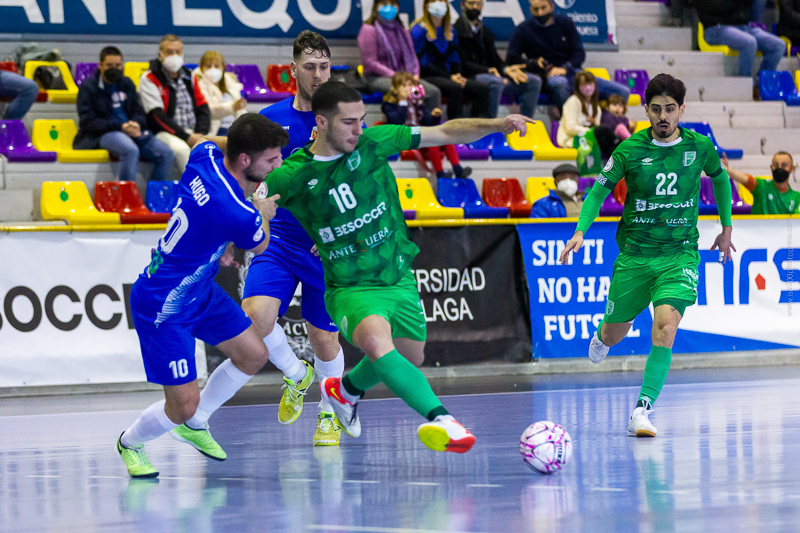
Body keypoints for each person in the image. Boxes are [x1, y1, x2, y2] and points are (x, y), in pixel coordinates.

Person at [264, 80, 534, 453]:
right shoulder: (292, 174)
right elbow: (249, 204)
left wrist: (495, 124)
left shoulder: (374, 141)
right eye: (349, 122)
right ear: (322, 122)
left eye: (362, 119)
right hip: (350, 287)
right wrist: (250, 228)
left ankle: (345, 391)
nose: (359, 130)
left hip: (398, 277)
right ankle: (444, 420)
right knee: (377, 344)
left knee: (410, 356)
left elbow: (443, 132)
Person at [559, 73, 736, 438]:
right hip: (635, 257)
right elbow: (596, 192)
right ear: (646, 110)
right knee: (613, 335)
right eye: (656, 109)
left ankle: (642, 409)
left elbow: (720, 179)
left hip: (679, 253)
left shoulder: (700, 146)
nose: (663, 116)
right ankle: (602, 335)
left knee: (666, 324)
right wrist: (580, 231)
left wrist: (726, 227)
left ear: (682, 110)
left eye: (670, 109)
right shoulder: (629, 150)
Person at [116, 113, 288, 478]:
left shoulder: (205, 155)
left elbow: (209, 144)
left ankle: (197, 424)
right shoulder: (240, 212)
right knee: (181, 406)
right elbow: (261, 245)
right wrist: (264, 211)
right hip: (164, 304)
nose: (279, 164)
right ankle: (130, 443)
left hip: (199, 290)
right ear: (245, 159)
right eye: (271, 159)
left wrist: (221, 243)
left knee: (254, 354)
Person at [246, 31, 345, 447]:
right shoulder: (271, 121)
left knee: (324, 337)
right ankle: (294, 372)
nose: (319, 74)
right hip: (281, 241)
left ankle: (330, 412)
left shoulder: (342, 120)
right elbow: (253, 176)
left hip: (324, 246)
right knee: (255, 317)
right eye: (310, 67)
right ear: (293, 70)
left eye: (324, 66)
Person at [506, 0, 630, 116]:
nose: (540, 13)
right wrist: (534, 64)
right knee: (558, 84)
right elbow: (512, 58)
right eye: (535, 9)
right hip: (546, 78)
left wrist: (565, 69)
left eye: (543, 8)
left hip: (572, 73)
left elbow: (579, 54)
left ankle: (601, 126)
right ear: (530, 9)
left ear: (552, 6)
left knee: (623, 91)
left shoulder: (566, 23)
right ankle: (570, 124)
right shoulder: (523, 29)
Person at [74, 46, 175, 182]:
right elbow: (87, 122)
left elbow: (138, 111)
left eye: (118, 65)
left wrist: (136, 124)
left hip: (131, 130)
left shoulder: (127, 83)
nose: (114, 69)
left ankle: (157, 199)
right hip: (103, 133)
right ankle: (125, 199)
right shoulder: (88, 88)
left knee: (166, 153)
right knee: (130, 150)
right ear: (100, 65)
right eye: (109, 65)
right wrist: (120, 126)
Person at [454, 0, 542, 118]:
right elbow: (463, 63)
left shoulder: (485, 31)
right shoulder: (455, 31)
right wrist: (489, 71)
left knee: (533, 80)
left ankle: (525, 124)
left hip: (494, 76)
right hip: (471, 76)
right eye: (471, 3)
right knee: (496, 82)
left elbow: (495, 59)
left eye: (478, 4)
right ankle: (490, 128)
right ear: (462, 5)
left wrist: (507, 69)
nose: (475, 7)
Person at [139, 34, 211, 174]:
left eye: (178, 52)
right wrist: (186, 137)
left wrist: (201, 134)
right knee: (183, 150)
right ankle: (193, 192)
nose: (174, 55)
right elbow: (157, 116)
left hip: (192, 132)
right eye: (169, 52)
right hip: (162, 132)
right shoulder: (150, 78)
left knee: (210, 150)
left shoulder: (190, 76)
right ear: (160, 55)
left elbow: (203, 108)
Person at [411, 0, 492, 119]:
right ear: (426, 5)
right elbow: (423, 63)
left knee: (482, 89)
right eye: (434, 1)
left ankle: (479, 128)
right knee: (455, 87)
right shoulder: (419, 30)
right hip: (428, 75)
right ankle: (455, 127)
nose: (438, 4)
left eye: (441, 1)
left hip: (450, 76)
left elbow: (455, 56)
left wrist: (457, 74)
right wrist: (450, 77)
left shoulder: (450, 30)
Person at [382, 71, 471, 179]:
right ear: (395, 89)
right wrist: (403, 102)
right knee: (432, 136)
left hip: (418, 135)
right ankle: (440, 174)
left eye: (410, 85)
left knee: (444, 137)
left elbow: (429, 123)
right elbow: (396, 122)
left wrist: (435, 116)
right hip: (403, 137)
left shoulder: (417, 103)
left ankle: (458, 170)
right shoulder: (389, 105)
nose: (408, 88)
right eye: (404, 85)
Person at [358, 0, 442, 112]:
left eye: (393, 5)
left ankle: (429, 126)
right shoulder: (368, 29)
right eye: (384, 4)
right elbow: (370, 62)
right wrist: (396, 76)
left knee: (433, 92)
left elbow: (412, 57)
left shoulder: (402, 30)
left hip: (404, 77)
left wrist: (415, 75)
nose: (389, 8)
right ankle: (406, 126)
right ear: (376, 7)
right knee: (405, 91)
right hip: (377, 77)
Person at [696, 0, 786, 100]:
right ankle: (744, 89)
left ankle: (759, 85)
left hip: (743, 27)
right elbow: (716, 6)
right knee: (749, 42)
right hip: (716, 28)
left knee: (778, 45)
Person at [722, 151, 800, 214]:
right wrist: (727, 169)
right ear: (771, 167)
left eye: (784, 165)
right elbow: (744, 178)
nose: (779, 168)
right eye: (776, 165)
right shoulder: (762, 186)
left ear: (792, 168)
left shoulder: (796, 197)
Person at [193, 51, 247, 136]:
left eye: (217, 66)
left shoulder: (231, 84)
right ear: (201, 68)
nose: (213, 69)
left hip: (235, 128)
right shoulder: (199, 85)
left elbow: (241, 112)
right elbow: (206, 111)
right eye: (208, 66)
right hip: (216, 130)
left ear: (223, 68)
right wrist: (231, 107)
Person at [556, 71, 602, 149]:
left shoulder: (596, 107)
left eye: (590, 84)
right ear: (578, 87)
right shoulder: (573, 101)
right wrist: (590, 131)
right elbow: (570, 128)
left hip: (588, 140)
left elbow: (596, 127)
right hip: (571, 140)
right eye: (584, 85)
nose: (588, 88)